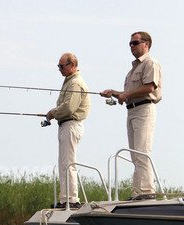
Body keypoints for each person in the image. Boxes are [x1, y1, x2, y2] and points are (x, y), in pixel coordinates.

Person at [101, 31, 162, 200]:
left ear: (146, 44)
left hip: (144, 110)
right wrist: (115, 93)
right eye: (130, 43)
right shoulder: (133, 68)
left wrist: (126, 95)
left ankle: (147, 192)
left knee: (142, 152)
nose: (132, 46)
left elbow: (149, 87)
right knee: (135, 154)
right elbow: (129, 93)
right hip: (132, 111)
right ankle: (138, 192)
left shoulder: (150, 63)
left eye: (135, 43)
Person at [47, 53, 90, 209]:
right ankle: (65, 198)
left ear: (72, 65)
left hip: (71, 124)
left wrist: (52, 113)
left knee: (68, 162)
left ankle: (71, 200)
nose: (59, 69)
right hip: (66, 125)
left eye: (62, 66)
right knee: (64, 163)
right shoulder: (69, 82)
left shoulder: (75, 84)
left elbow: (69, 108)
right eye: (58, 66)